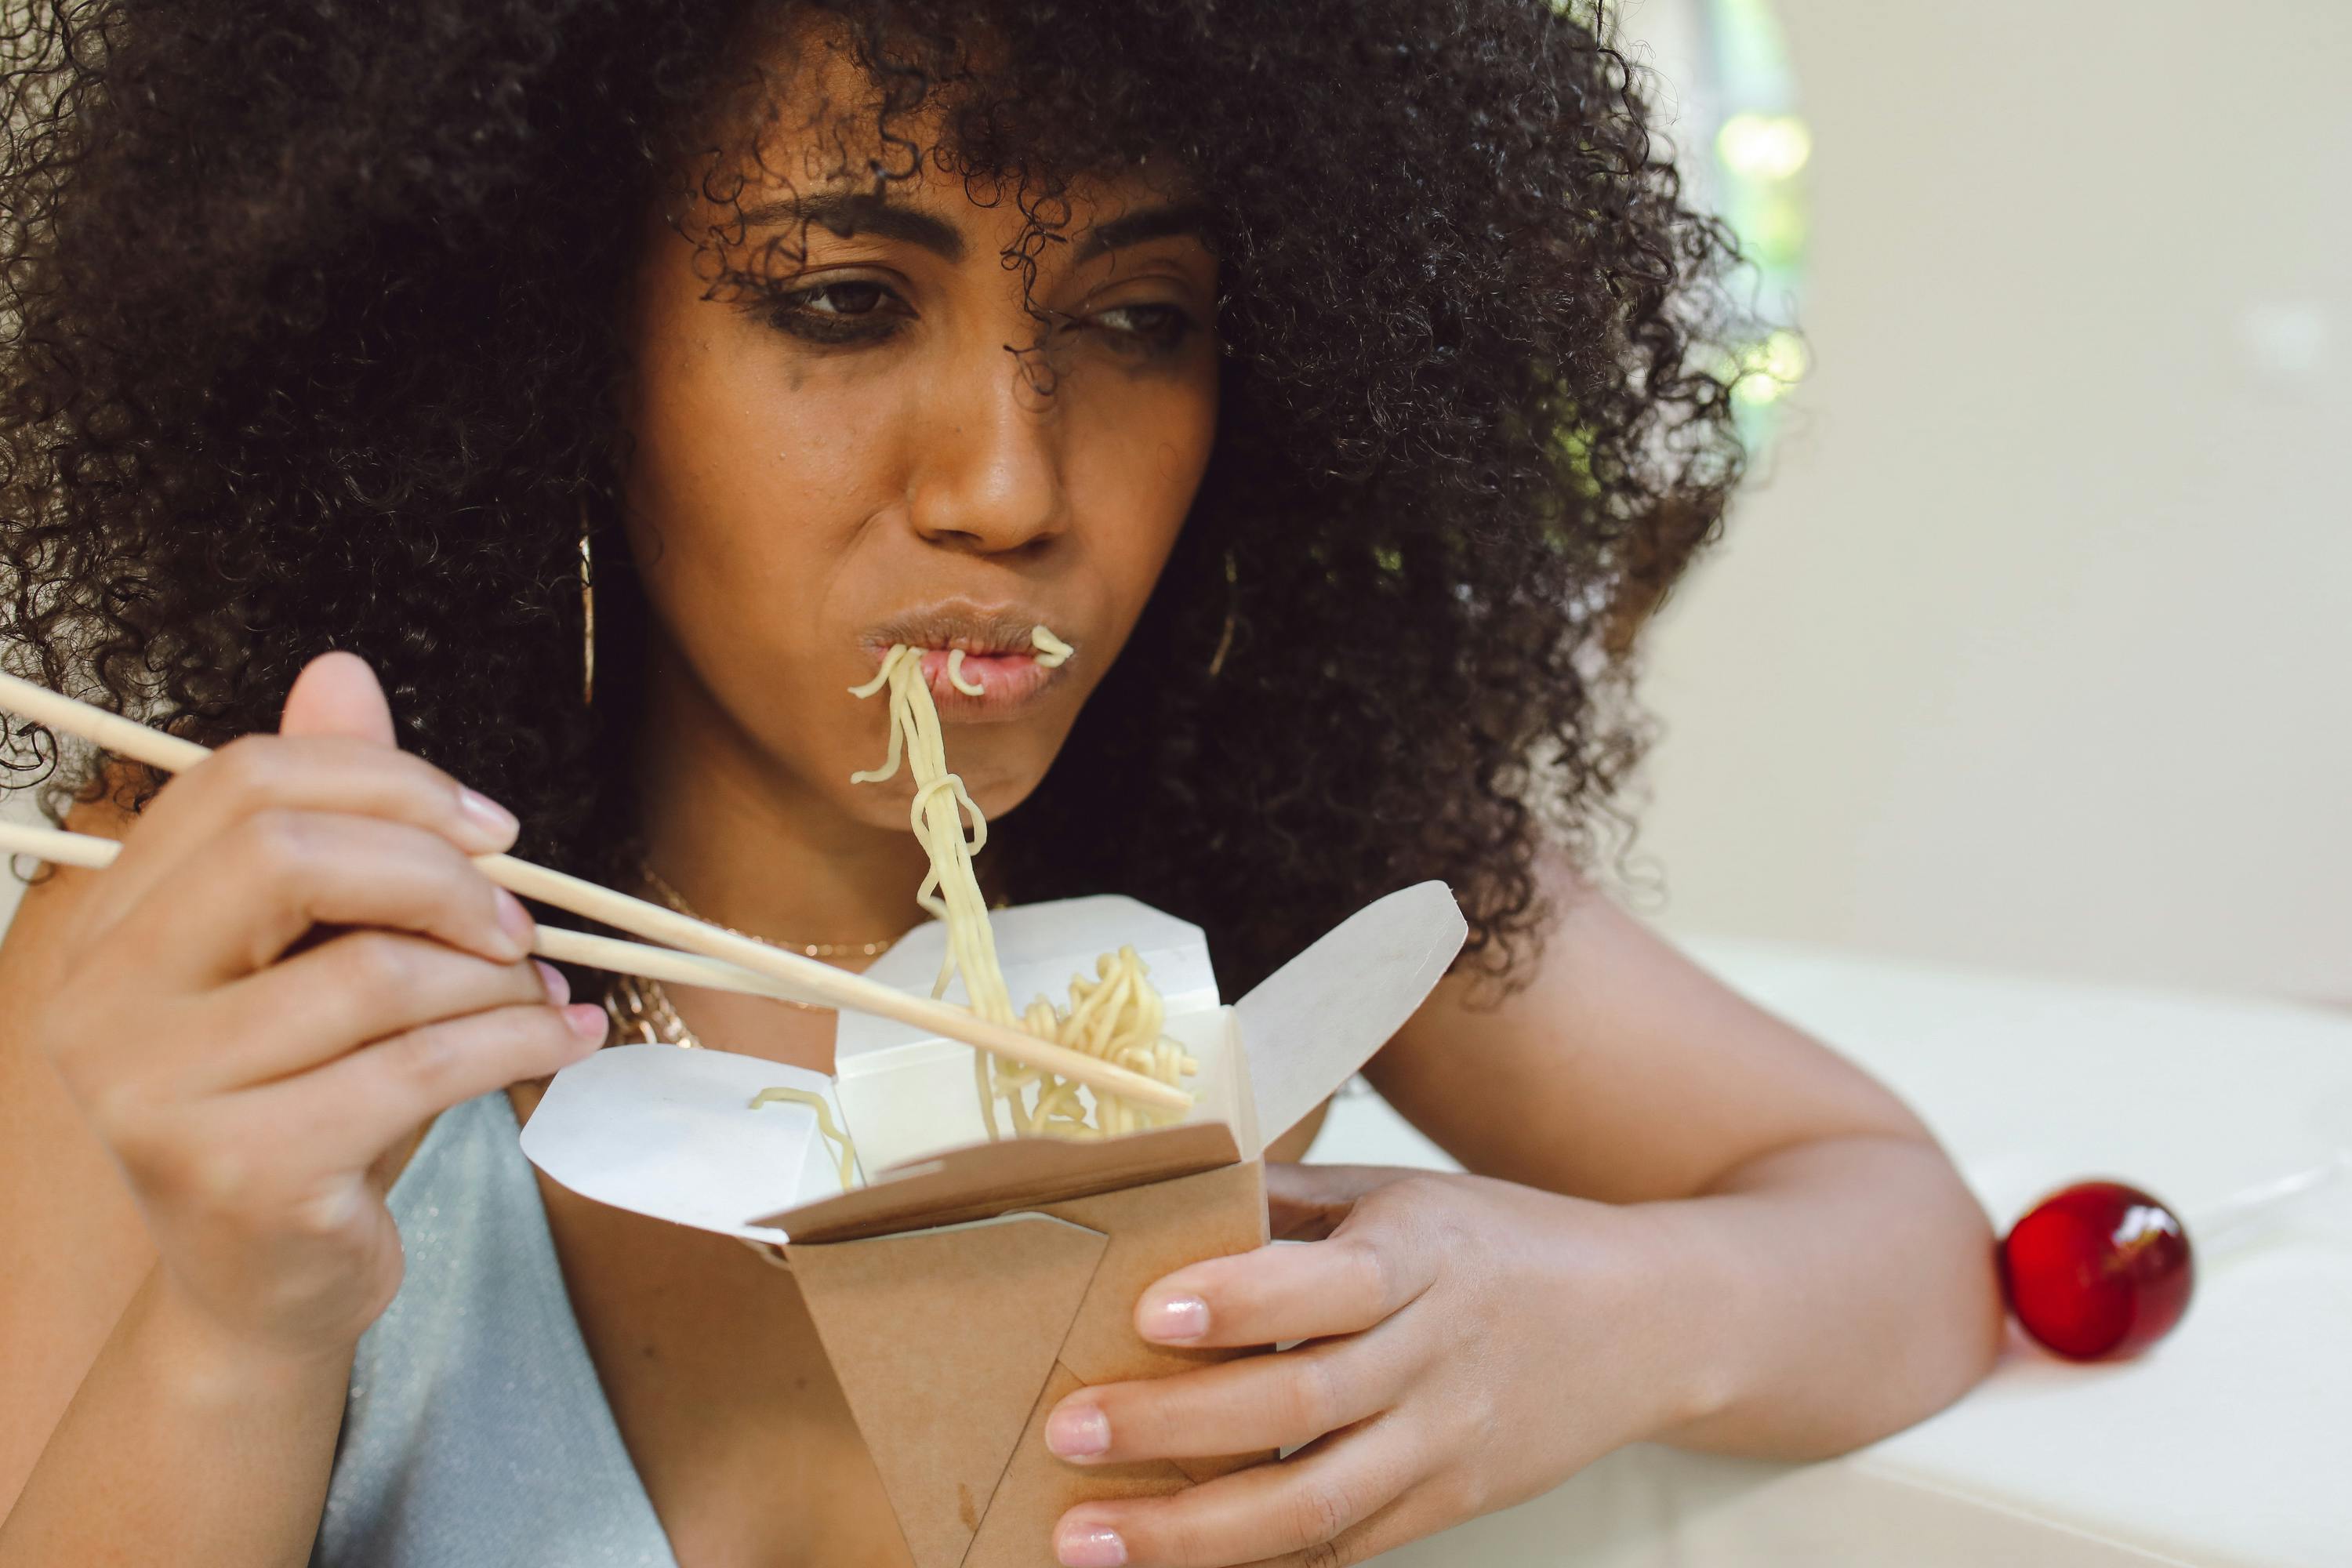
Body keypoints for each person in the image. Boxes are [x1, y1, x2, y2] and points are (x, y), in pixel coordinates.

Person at [0, 3, 2003, 1565]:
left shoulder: (1287, 866)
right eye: (846, 303)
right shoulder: (257, 934)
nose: (1014, 484)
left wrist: (1585, 1312)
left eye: (1139, 322)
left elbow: (1902, 1236)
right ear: (553, 339)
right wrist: (240, 1320)